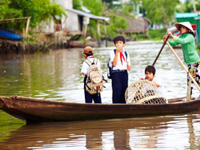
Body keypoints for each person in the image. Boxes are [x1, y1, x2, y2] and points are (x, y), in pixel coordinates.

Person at [163, 22, 200, 96]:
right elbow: (174, 43)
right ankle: (190, 95)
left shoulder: (190, 36)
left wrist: (172, 36)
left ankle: (189, 95)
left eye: (183, 27)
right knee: (194, 77)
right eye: (180, 27)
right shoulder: (182, 36)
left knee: (190, 78)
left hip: (194, 60)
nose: (181, 29)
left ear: (187, 29)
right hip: (189, 61)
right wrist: (167, 41)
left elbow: (183, 41)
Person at [108, 36, 131, 103]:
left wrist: (128, 66)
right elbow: (114, 64)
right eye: (116, 43)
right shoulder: (113, 52)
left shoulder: (126, 53)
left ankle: (124, 105)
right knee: (117, 91)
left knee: (125, 90)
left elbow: (129, 65)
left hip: (124, 73)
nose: (118, 44)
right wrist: (117, 53)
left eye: (120, 43)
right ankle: (116, 106)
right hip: (116, 73)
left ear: (123, 44)